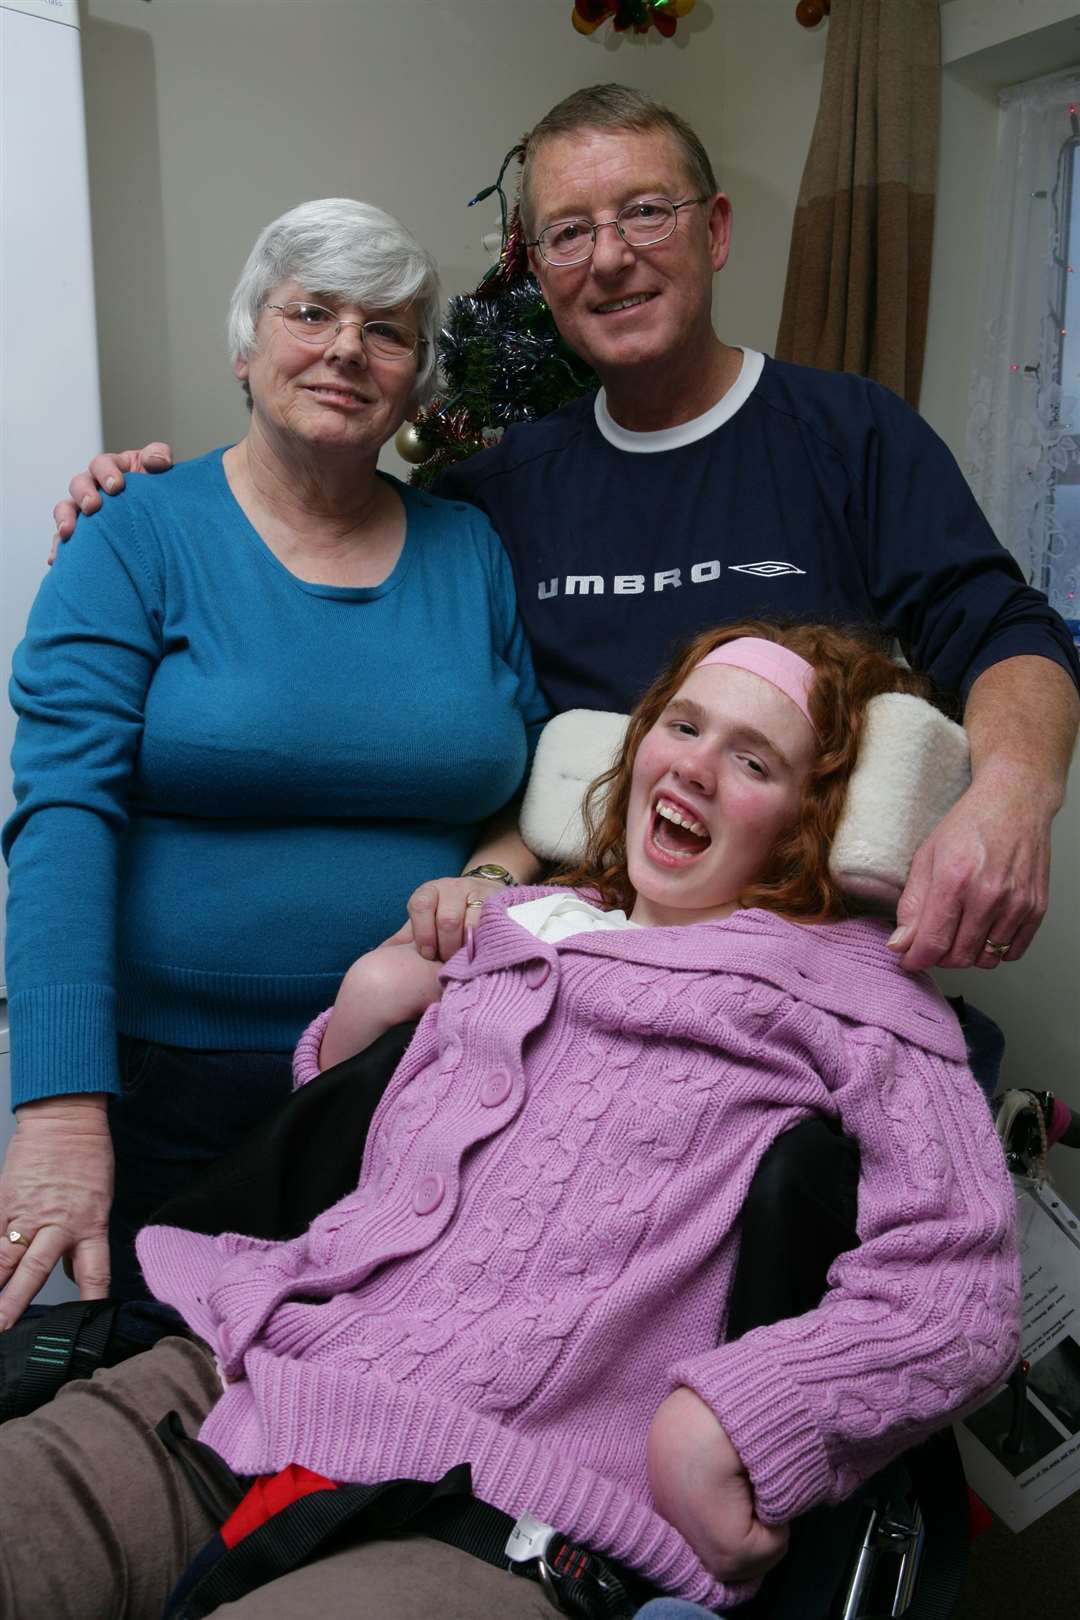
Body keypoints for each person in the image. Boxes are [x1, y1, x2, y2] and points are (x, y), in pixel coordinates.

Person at [0, 622, 1021, 1620]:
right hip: (264, 1368)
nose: (695, 768)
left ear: (809, 817)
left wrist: (741, 1419)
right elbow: (364, 1156)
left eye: (751, 759)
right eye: (681, 725)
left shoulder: (863, 1002)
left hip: (512, 1493)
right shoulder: (527, 923)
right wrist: (360, 1012)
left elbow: (961, 1294)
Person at [52, 85, 1080, 979]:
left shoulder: (851, 435)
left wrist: (1014, 795)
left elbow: (1001, 629)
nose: (612, 258)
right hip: (561, 981)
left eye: (646, 212)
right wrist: (136, 496)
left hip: (798, 970)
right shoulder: (489, 497)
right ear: (538, 273)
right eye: (569, 233)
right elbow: (317, 533)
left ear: (714, 230)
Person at [0, 198, 548, 1328]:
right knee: (164, 1415)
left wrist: (489, 886)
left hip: (422, 1072)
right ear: (248, 349)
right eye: (314, 312)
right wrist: (57, 1102)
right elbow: (61, 813)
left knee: (373, 1433)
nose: (349, 347)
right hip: (174, 1087)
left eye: (388, 329)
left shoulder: (469, 548)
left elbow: (524, 795)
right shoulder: (136, 531)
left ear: (415, 379)